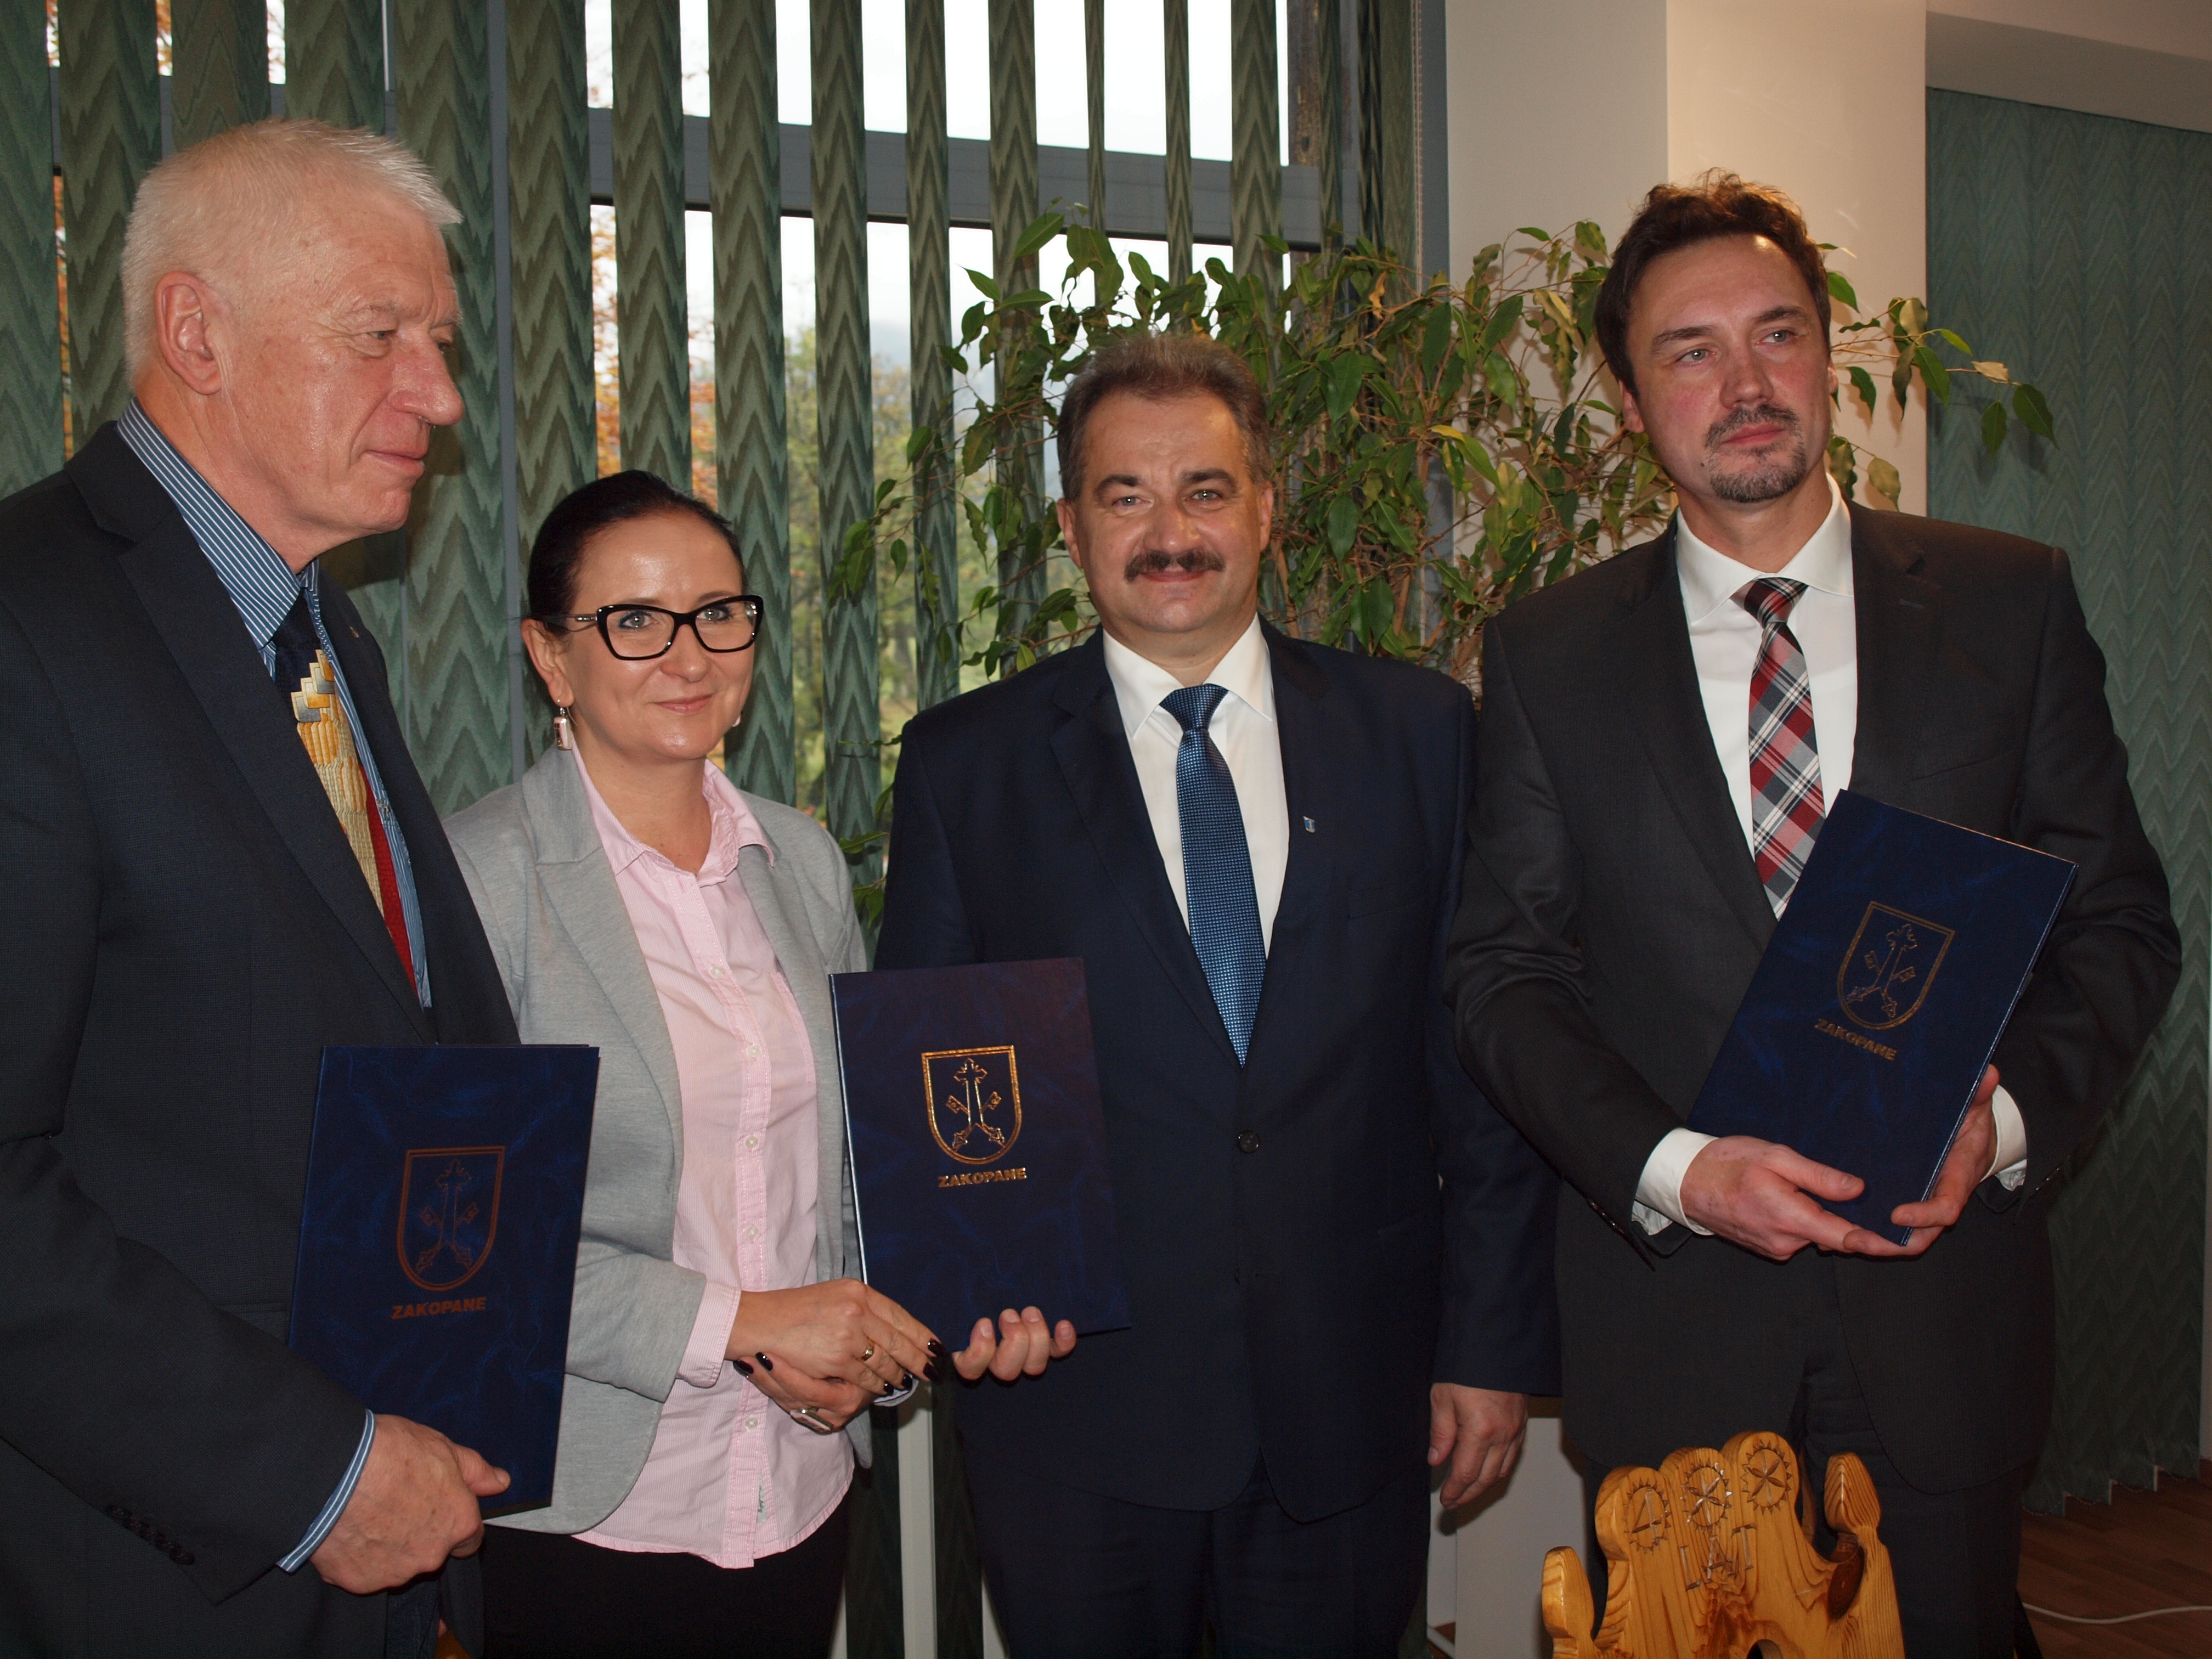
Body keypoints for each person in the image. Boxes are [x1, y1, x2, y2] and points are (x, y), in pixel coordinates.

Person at [1444, 173, 2181, 1656]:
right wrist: (1677, 1170)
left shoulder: (2007, 606)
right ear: (1631, 401)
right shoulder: (1548, 656)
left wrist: (2002, 1124)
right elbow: (1504, 978)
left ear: (1829, 360)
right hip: (1676, 1327)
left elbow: (2120, 926)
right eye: (1692, 350)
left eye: (1777, 334)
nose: (1745, 381)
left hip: (1944, 1316)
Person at [874, 331, 1559, 1657]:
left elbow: (1475, 1063)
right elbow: (936, 1073)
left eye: (1205, 489)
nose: (1170, 533)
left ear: (1265, 509)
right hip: (1075, 1407)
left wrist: (1488, 1343)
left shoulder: (1420, 734)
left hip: (1349, 1403)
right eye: (1125, 496)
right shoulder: (967, 765)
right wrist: (973, 1287)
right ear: (1071, 528)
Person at [0, 120, 523, 1657]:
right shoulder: (26, 625)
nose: (440, 393)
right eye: (380, 336)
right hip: (159, 1573)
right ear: (196, 333)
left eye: (439, 342)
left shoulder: (315, 631)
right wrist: (312, 1473)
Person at [444, 471, 954, 1659]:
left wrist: (872, 1344)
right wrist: (742, 1323)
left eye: (719, 614)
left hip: (797, 1482)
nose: (689, 655)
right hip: (592, 1507)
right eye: (636, 620)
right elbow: (461, 1250)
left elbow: (849, 1167)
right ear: (551, 656)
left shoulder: (801, 860)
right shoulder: (478, 881)